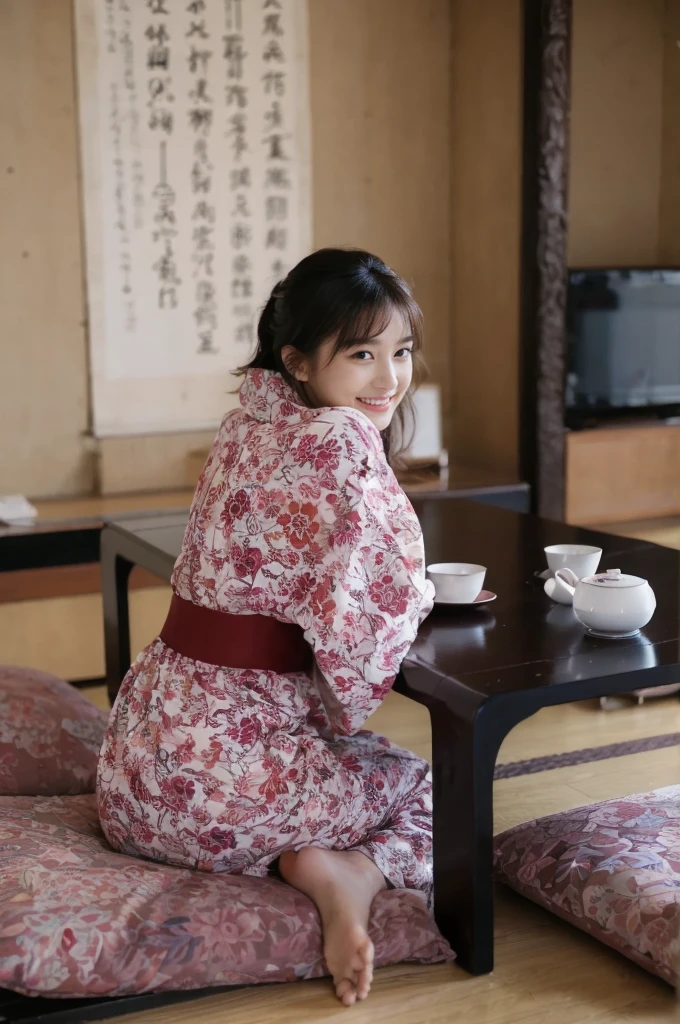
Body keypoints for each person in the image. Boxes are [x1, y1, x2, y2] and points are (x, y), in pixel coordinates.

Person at [97, 248, 436, 1006]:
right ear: (299, 361)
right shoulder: (341, 440)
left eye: (402, 352)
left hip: (134, 778)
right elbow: (373, 616)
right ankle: (349, 870)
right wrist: (408, 603)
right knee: (427, 783)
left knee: (356, 756)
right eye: (361, 354)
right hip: (222, 795)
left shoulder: (246, 421)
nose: (389, 379)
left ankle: (315, 858)